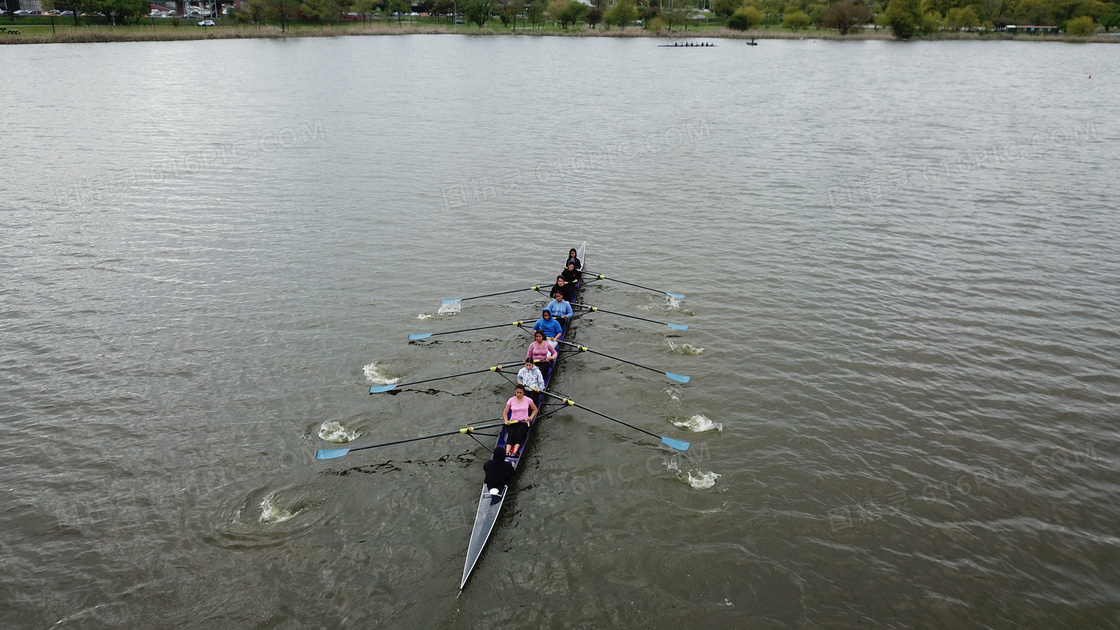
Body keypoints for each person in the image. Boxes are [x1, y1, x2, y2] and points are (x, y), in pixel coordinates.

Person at [503, 385, 538, 456]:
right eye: (517, 392)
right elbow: (505, 413)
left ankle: (514, 453)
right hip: (513, 421)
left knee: (518, 436)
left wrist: (530, 417)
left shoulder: (528, 400)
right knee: (511, 436)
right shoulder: (511, 400)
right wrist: (506, 420)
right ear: (515, 392)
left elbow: (535, 410)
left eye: (520, 392)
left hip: (523, 422)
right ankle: (506, 453)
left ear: (523, 392)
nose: (518, 394)